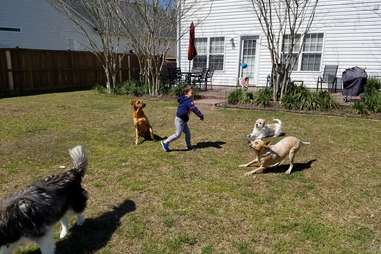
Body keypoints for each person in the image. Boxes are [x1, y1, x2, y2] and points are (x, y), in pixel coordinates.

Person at [161, 86, 204, 152]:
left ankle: (189, 146)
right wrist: (200, 115)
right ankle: (165, 142)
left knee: (188, 133)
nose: (193, 94)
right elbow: (194, 109)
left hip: (183, 120)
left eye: (193, 93)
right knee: (178, 134)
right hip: (179, 120)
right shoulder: (188, 101)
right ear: (186, 93)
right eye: (191, 93)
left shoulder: (184, 99)